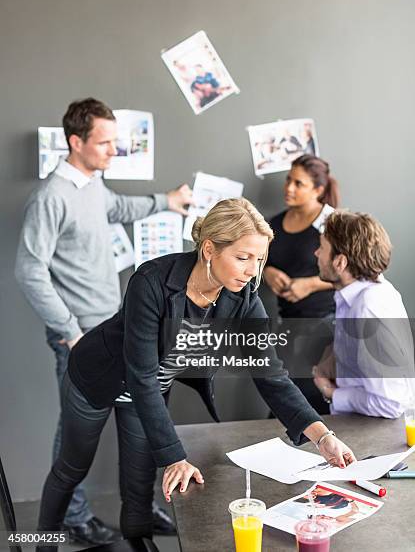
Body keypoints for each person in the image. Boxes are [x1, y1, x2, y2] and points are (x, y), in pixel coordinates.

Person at [35, 198, 356, 549]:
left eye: (259, 259)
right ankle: (41, 542)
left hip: (149, 391)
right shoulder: (152, 281)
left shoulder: (243, 296)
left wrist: (322, 436)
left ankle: (139, 543)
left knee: (140, 483)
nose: (252, 271)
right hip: (98, 379)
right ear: (209, 249)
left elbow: (271, 373)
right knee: (71, 469)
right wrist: (175, 456)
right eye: (243, 257)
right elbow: (141, 375)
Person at [15, 98, 193, 544]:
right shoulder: (51, 197)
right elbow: (29, 271)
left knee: (137, 428)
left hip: (117, 332)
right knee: (74, 439)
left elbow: (118, 209)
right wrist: (69, 332)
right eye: (105, 142)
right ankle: (71, 520)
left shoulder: (92, 184)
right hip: (82, 340)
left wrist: (166, 201)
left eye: (116, 141)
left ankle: (140, 512)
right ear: (76, 142)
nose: (114, 150)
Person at [313, 210, 415, 417]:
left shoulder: (368, 309)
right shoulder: (358, 294)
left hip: (376, 432)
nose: (316, 253)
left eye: (322, 248)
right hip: (361, 423)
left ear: (340, 262)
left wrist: (331, 392)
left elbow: (391, 404)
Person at [263, 155, 339, 412]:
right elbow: (259, 261)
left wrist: (309, 284)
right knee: (284, 398)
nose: (289, 188)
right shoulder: (273, 224)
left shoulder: (333, 223)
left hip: (324, 325)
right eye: (288, 180)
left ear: (318, 190)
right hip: (289, 327)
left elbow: (355, 272)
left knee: (311, 399)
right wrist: (267, 272)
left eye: (298, 183)